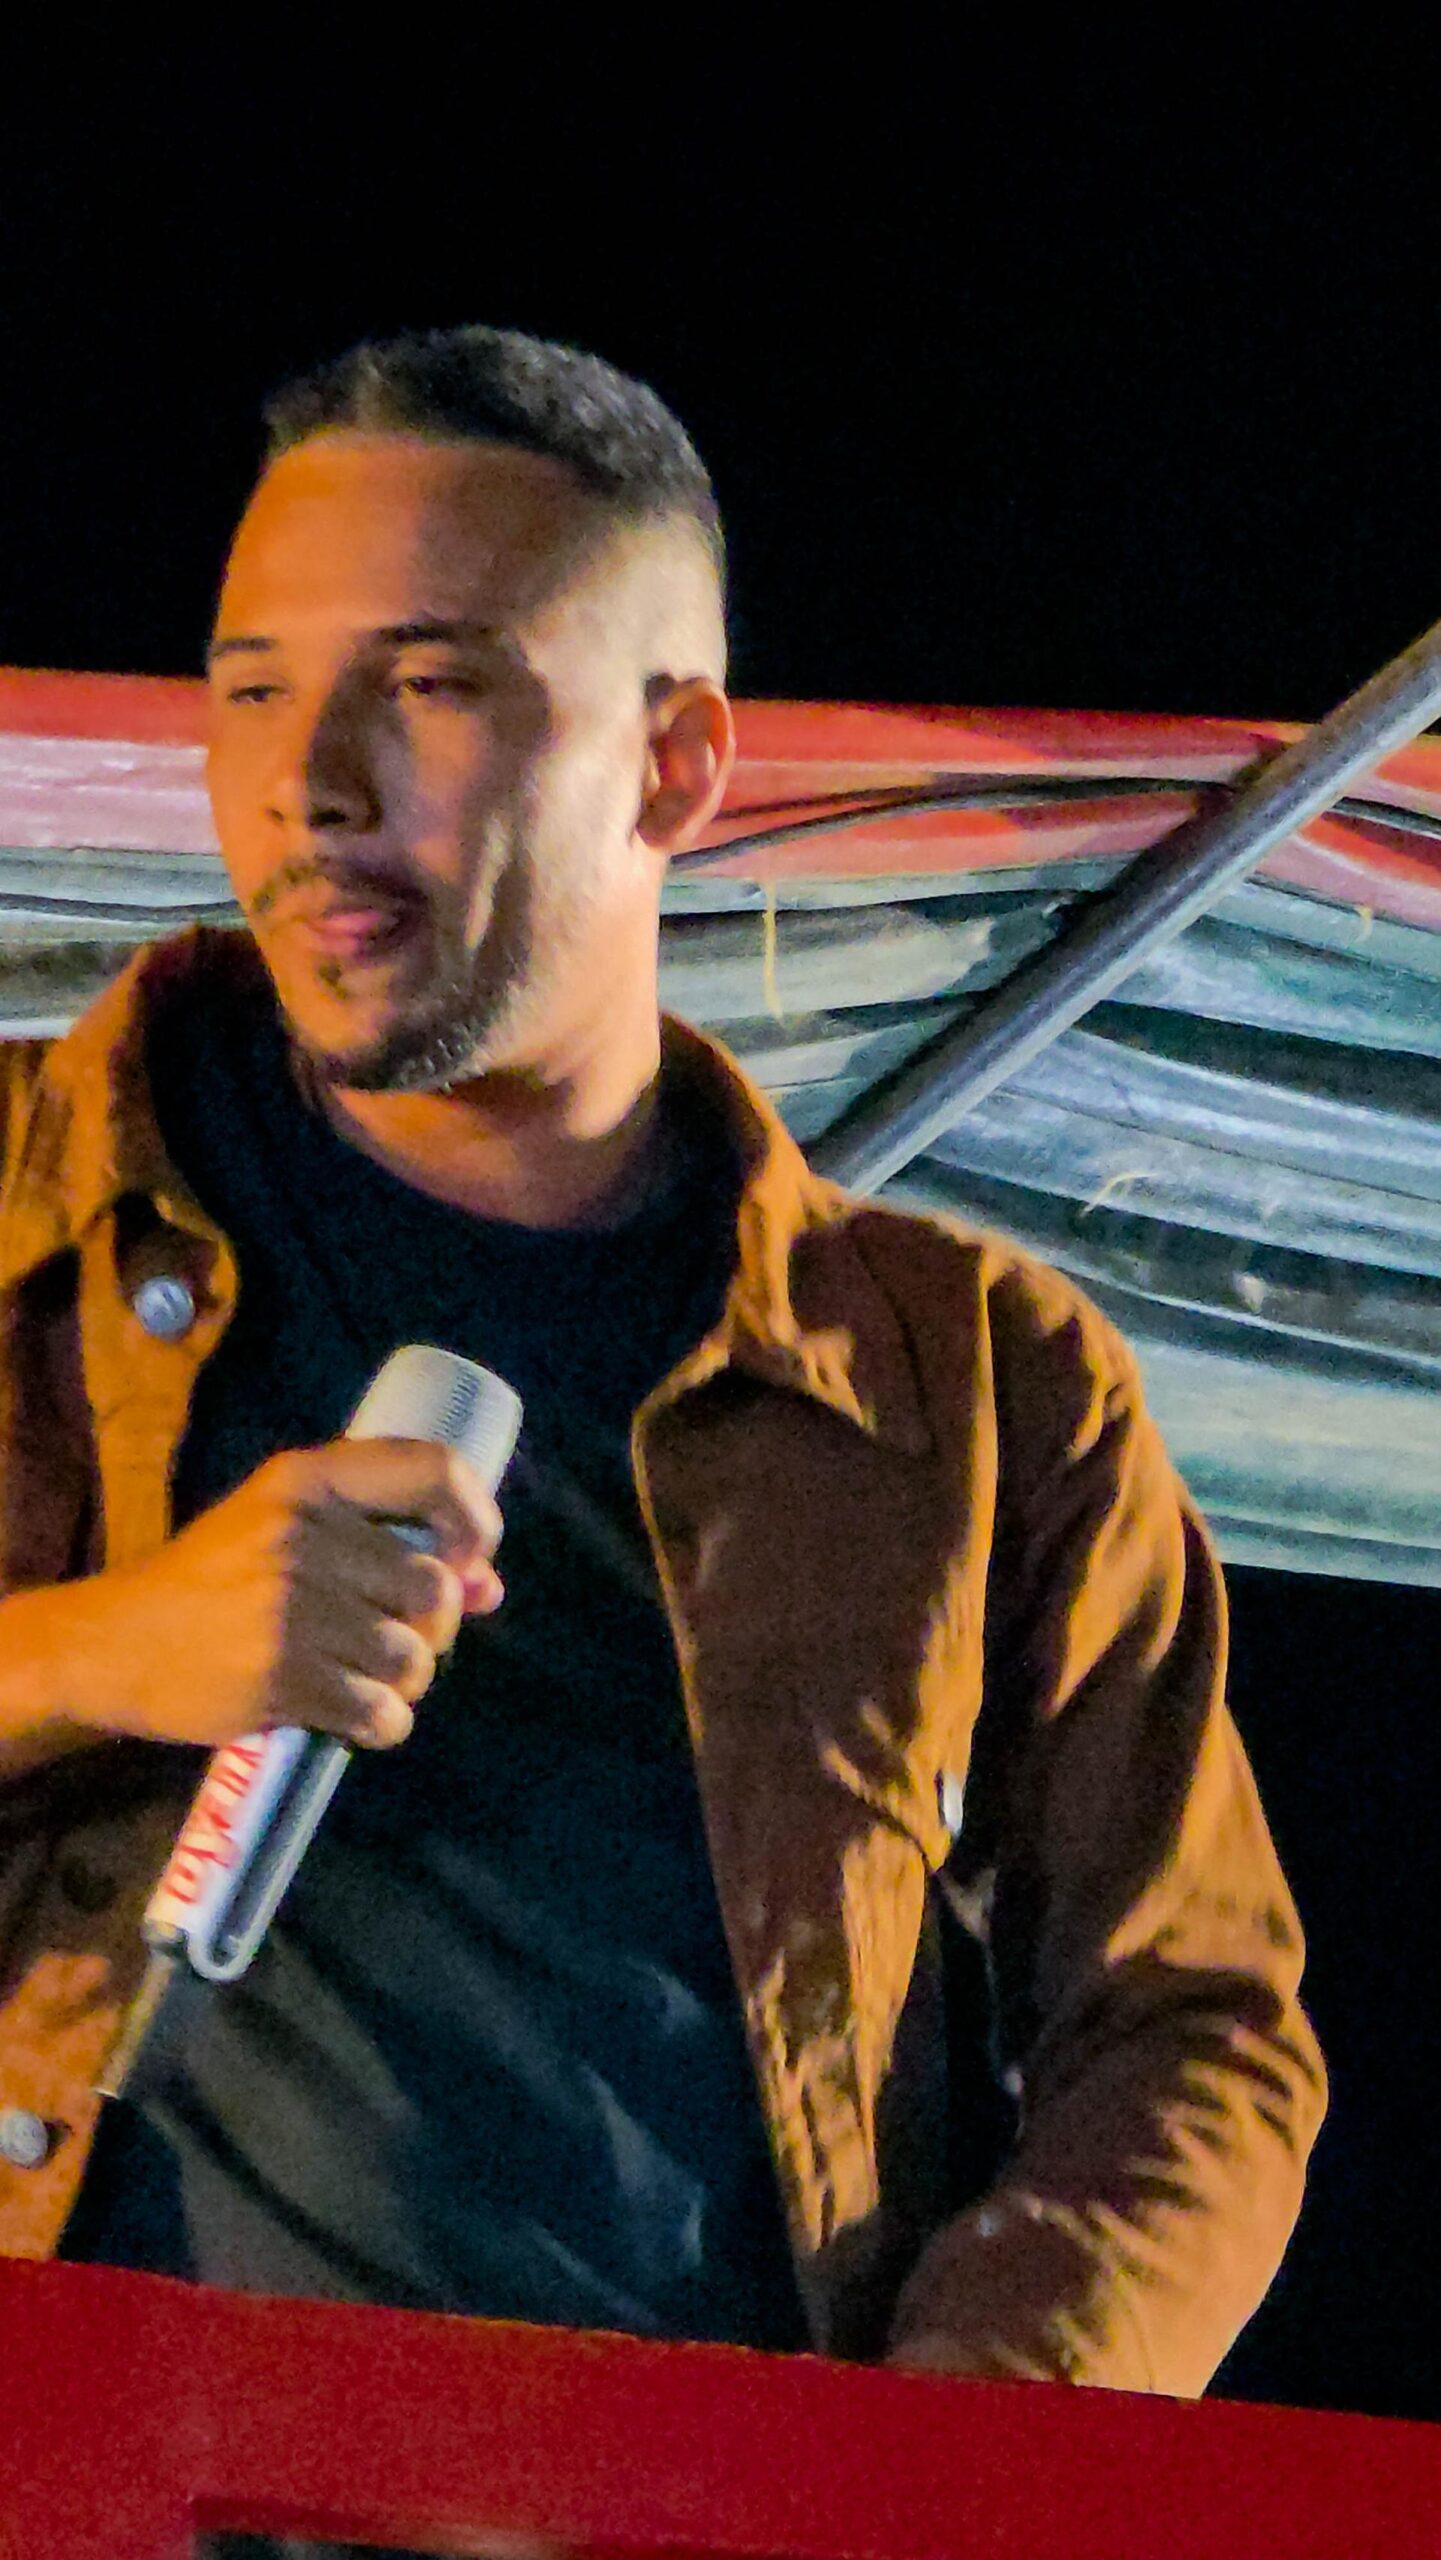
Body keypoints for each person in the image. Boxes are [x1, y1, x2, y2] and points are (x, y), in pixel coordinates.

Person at [0, 328, 1325, 2427]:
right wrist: (95, 1650)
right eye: (249, 687)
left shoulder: (976, 1389)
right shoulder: (25, 1207)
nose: (308, 780)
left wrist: (915, 2479)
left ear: (677, 762)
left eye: (430, 683)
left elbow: (1193, 2030)